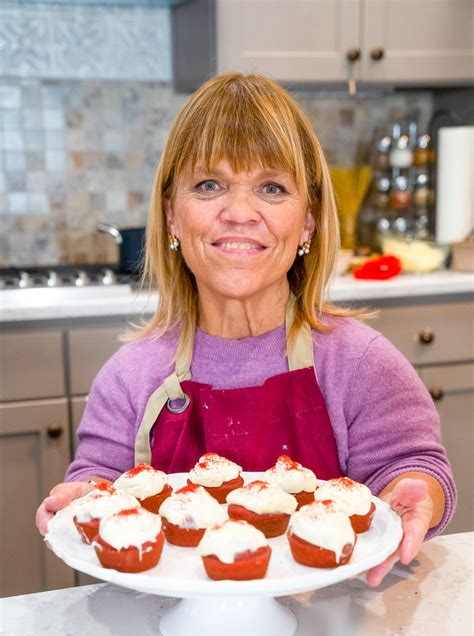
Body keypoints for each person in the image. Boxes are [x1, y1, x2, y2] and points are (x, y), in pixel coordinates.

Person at [35, 72, 456, 586]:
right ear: (171, 214)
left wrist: (419, 492)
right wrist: (83, 497)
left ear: (308, 221)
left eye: (272, 188)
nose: (238, 213)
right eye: (209, 185)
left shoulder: (359, 362)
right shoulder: (131, 375)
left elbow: (412, 469)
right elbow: (97, 481)